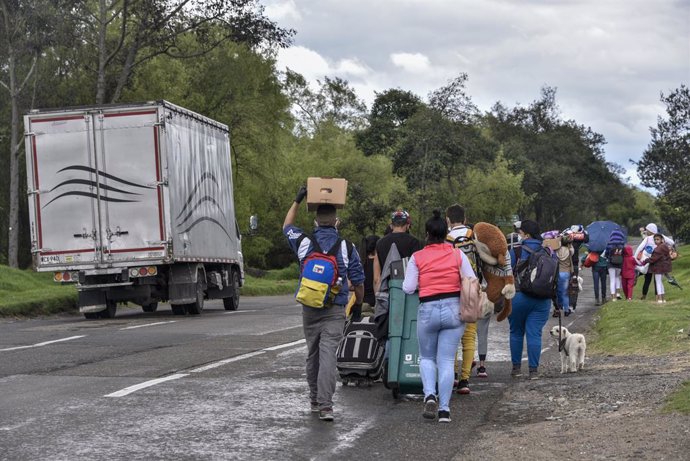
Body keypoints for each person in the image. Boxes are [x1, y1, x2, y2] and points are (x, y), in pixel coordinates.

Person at [283, 186, 365, 422]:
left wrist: (298, 200)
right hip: (335, 309)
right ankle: (326, 406)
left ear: (316, 222)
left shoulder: (304, 242)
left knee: (313, 353)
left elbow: (286, 227)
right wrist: (357, 305)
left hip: (310, 307)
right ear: (336, 222)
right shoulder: (347, 247)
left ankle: (313, 398)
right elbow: (359, 282)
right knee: (329, 355)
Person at [402, 210, 474, 423]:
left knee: (426, 357)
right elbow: (471, 279)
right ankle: (444, 411)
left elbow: (408, 288)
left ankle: (429, 395)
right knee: (446, 360)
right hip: (454, 310)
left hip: (428, 309)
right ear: (446, 232)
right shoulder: (457, 254)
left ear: (426, 234)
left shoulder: (418, 257)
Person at [508, 220, 552, 379]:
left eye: (520, 232)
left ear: (525, 234)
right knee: (534, 333)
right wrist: (559, 301)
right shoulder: (547, 251)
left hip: (518, 297)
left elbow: (506, 273)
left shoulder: (516, 251)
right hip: (542, 299)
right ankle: (533, 371)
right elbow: (555, 278)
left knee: (516, 332)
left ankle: (516, 369)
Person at [373, 209, 422, 341]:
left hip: (386, 292)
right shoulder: (414, 242)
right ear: (407, 225)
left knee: (387, 332)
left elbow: (377, 277)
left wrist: (378, 297)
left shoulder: (380, 243)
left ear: (391, 225)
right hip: (408, 294)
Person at [445, 204, 479, 394]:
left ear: (448, 220)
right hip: (472, 289)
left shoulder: (445, 238)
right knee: (469, 337)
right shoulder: (474, 236)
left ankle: (451, 377)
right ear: (465, 219)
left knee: (451, 336)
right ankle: (465, 379)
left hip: (451, 290)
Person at [635, 223, 675, 300]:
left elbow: (639, 248)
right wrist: (664, 242)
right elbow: (672, 242)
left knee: (647, 279)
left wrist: (636, 259)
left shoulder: (647, 238)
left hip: (650, 261)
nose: (646, 231)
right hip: (659, 261)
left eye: (648, 230)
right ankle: (658, 297)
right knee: (657, 280)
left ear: (650, 230)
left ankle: (644, 295)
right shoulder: (661, 237)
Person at [643, 233, 673, 303]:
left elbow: (653, 259)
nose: (656, 241)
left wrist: (645, 260)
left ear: (662, 240)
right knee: (660, 282)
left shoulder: (658, 248)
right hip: (663, 268)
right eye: (655, 240)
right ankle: (663, 298)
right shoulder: (665, 247)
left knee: (658, 283)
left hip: (658, 268)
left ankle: (659, 299)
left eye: (658, 239)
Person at [359, 235, 380, 317]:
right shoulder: (378, 262)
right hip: (374, 301)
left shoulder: (361, 262)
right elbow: (376, 280)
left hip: (362, 300)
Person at [555, 234, 575, 316]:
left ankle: (558, 308)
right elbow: (572, 249)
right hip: (566, 272)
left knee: (558, 291)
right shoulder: (569, 251)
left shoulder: (557, 251)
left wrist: (558, 240)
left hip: (557, 272)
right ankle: (566, 310)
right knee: (565, 292)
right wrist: (570, 243)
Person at [605, 229, 626, 301]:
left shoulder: (609, 244)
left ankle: (613, 297)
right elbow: (624, 254)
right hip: (619, 263)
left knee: (612, 279)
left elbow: (606, 254)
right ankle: (618, 294)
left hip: (611, 263)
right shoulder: (622, 244)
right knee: (617, 277)